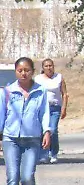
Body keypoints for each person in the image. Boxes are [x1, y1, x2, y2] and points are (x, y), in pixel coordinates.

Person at [1, 57, 52, 185]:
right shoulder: (7, 92)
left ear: (33, 71)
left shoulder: (40, 91)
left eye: (27, 70)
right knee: (12, 178)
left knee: (27, 178)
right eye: (20, 70)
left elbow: (44, 113)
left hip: (32, 139)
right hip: (10, 139)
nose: (23, 73)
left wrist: (46, 131)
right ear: (16, 72)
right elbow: (1, 115)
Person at [34, 59, 66, 164]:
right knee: (42, 131)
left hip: (54, 108)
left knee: (52, 130)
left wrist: (64, 108)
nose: (49, 68)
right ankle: (43, 154)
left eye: (51, 65)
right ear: (43, 68)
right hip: (42, 108)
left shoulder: (59, 77)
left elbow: (64, 94)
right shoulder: (38, 79)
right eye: (46, 66)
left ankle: (53, 153)